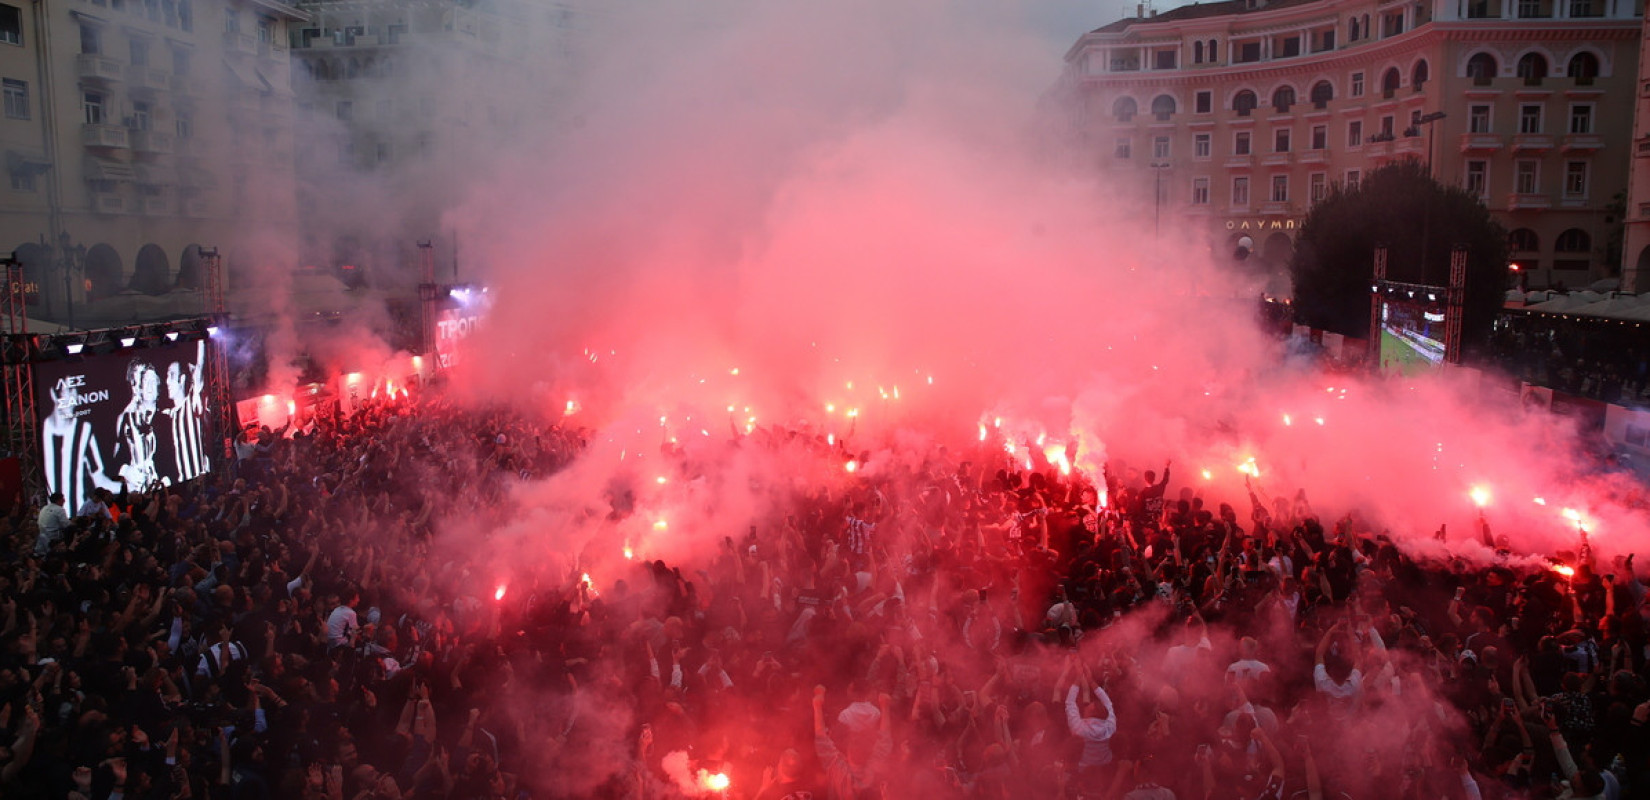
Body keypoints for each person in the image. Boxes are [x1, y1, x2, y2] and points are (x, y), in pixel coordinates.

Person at [34, 491, 68, 556]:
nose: (64, 501)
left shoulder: (44, 508)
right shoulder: (59, 509)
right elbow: (66, 525)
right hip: (54, 538)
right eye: (63, 499)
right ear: (59, 500)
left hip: (42, 537)